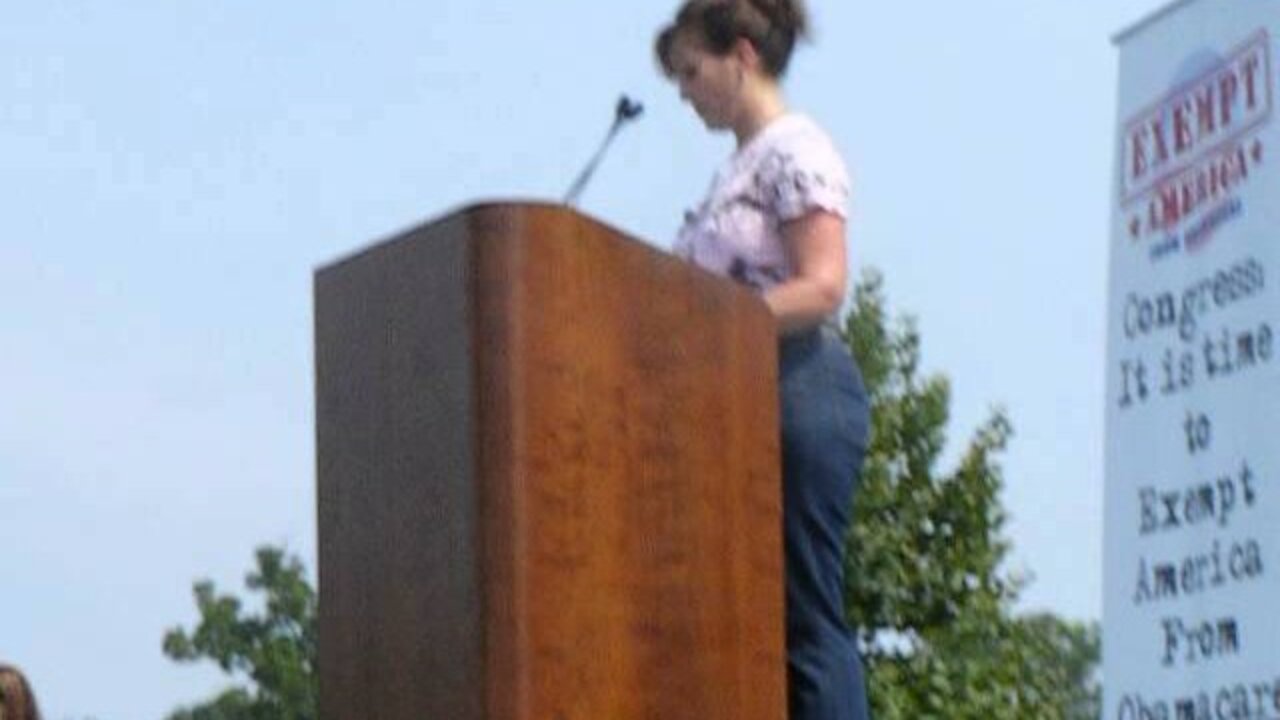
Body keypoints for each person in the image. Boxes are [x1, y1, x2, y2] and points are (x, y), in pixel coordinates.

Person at [655, 2, 872, 719]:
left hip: (799, 392)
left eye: (691, 70)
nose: (683, 90)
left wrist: (715, 325)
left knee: (802, 611)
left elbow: (822, 284)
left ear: (741, 56)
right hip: (737, 402)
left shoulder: (795, 150)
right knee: (740, 613)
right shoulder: (732, 173)